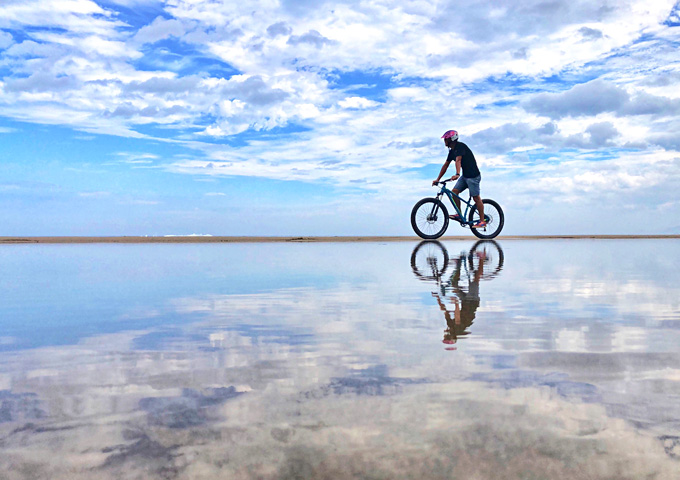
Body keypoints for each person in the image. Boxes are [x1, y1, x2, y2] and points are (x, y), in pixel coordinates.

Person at [432, 130, 485, 228]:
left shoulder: (460, 147)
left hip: (473, 176)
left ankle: (482, 221)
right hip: (465, 176)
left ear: (451, 139)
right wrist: (438, 179)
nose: (444, 141)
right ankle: (459, 215)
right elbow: (446, 165)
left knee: (476, 198)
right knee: (454, 192)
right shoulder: (452, 151)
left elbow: (458, 160)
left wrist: (457, 173)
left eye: (446, 139)